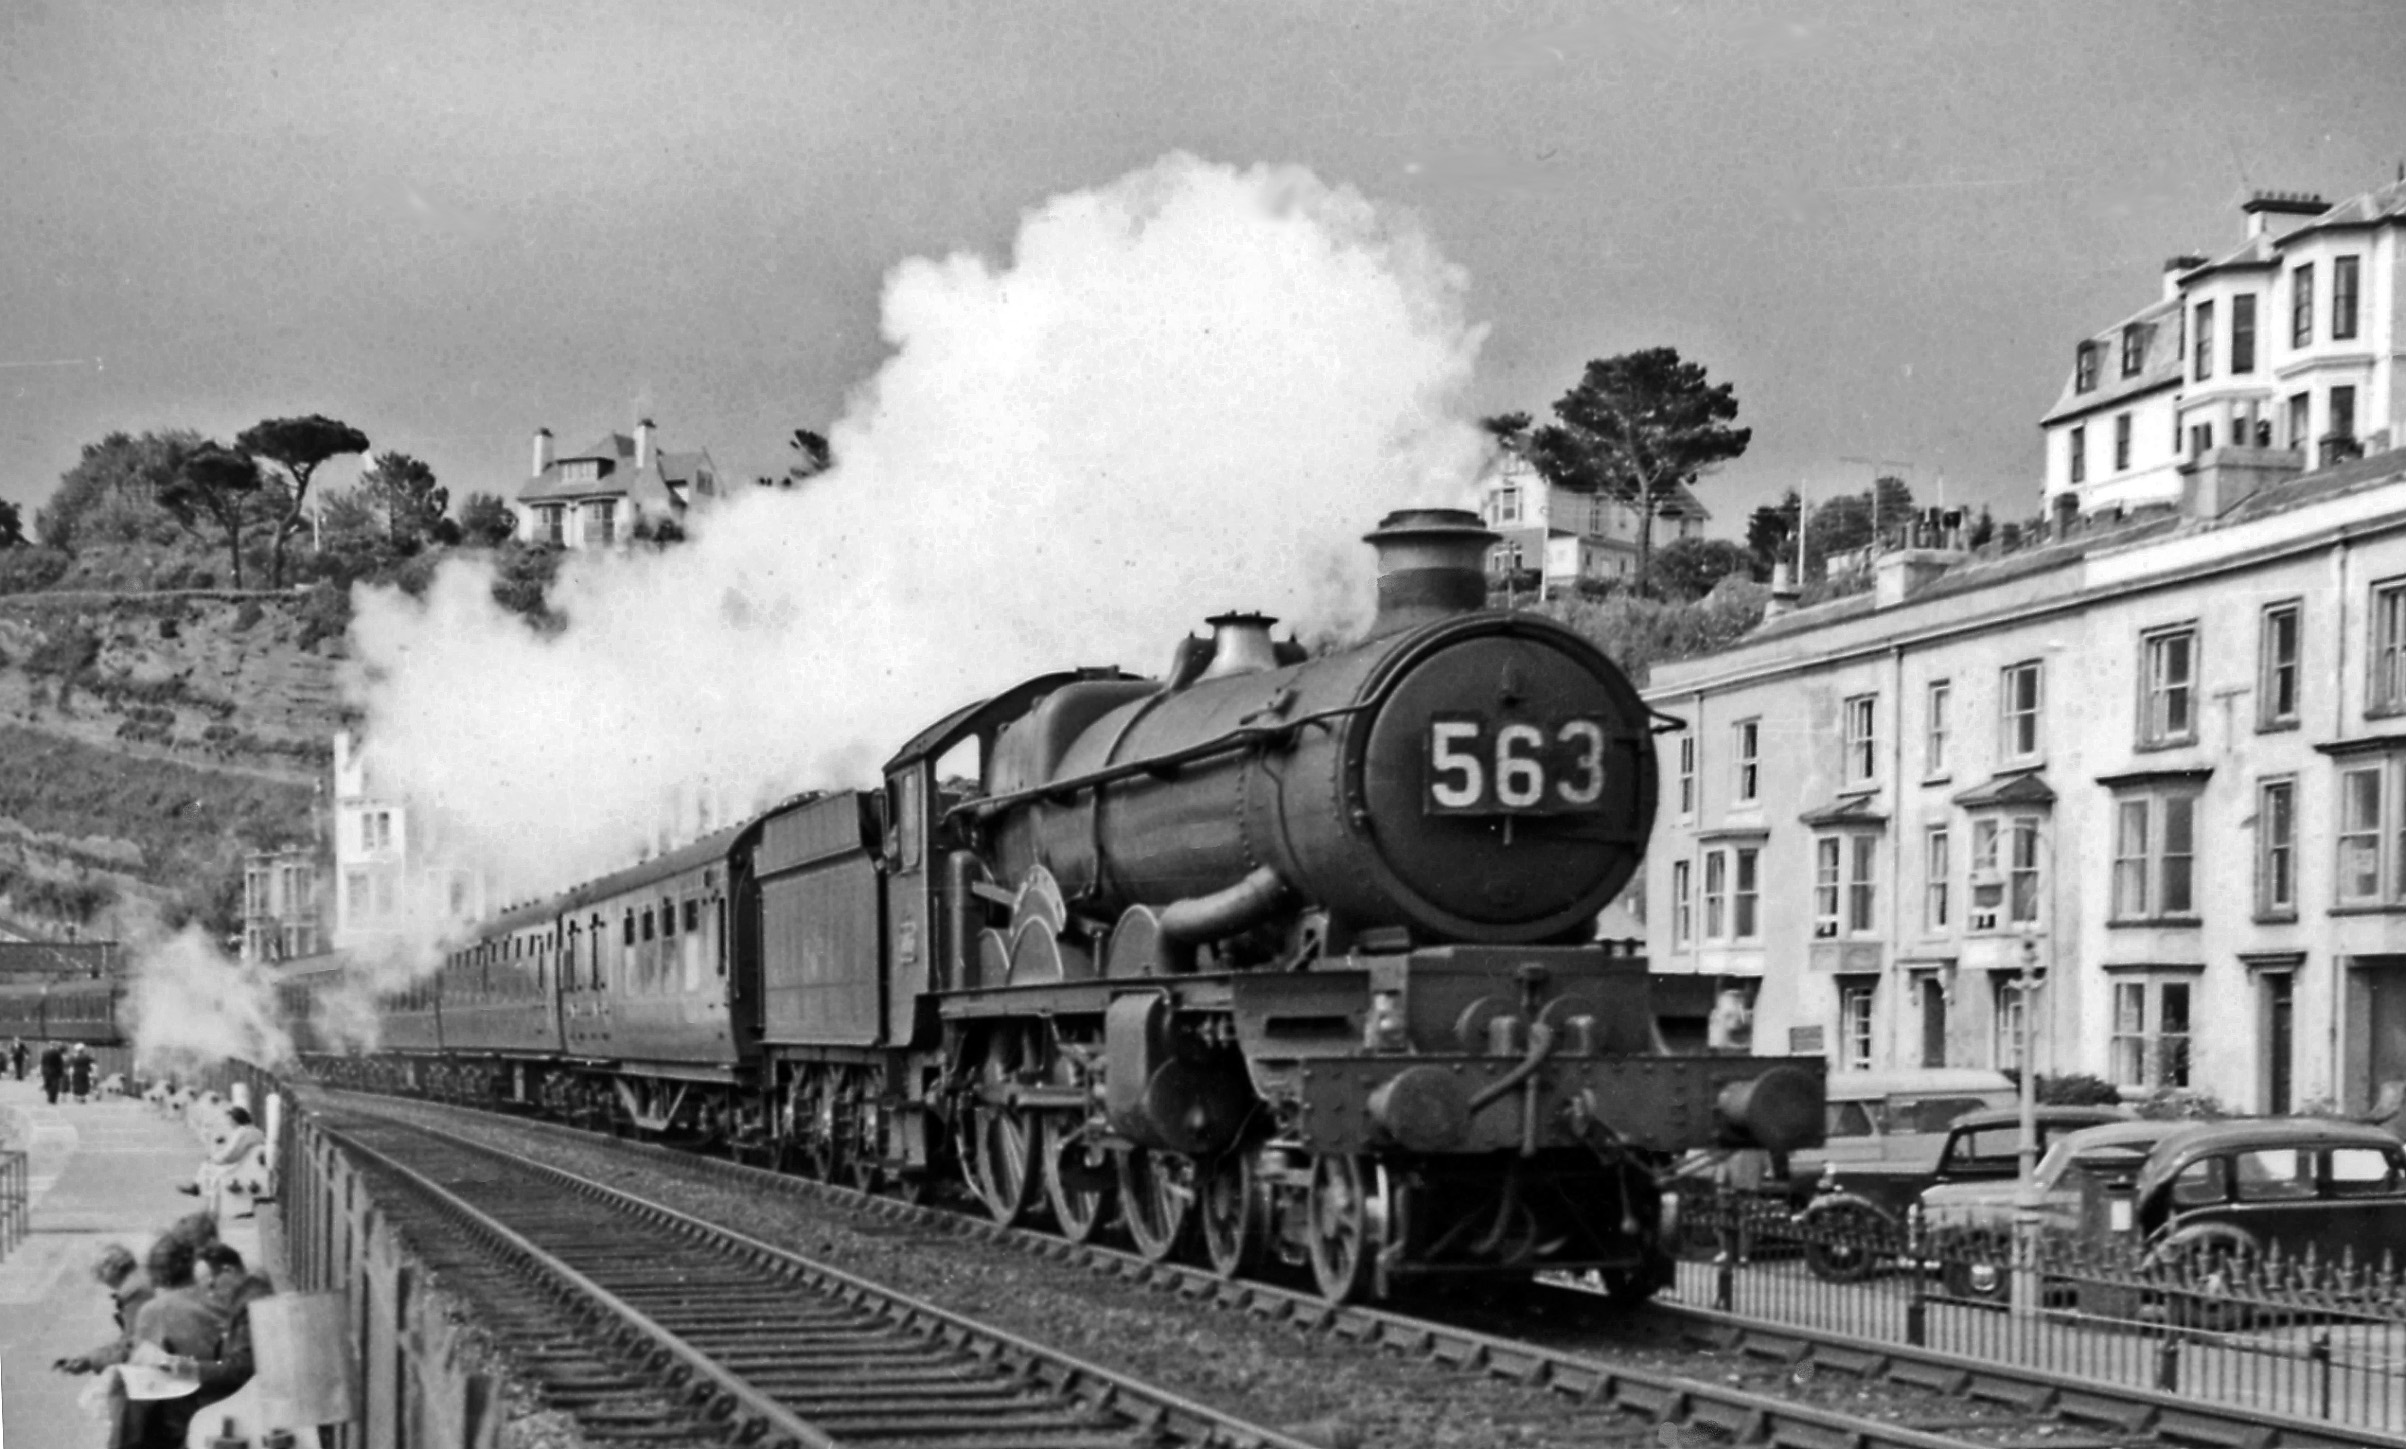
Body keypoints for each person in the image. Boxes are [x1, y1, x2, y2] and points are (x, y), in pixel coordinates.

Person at [116, 1235, 226, 1449]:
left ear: (156, 1274)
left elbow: (144, 1380)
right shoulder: (217, 1300)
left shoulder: (155, 1311)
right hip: (226, 1406)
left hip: (183, 1418)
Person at [184, 1241, 275, 1414]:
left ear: (229, 1271)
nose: (212, 1294)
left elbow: (242, 1367)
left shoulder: (250, 1304)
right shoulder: (246, 1295)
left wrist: (193, 1369)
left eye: (212, 1285)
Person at [51, 1244, 151, 1375]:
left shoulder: (134, 1293)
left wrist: (90, 1360)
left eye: (101, 1273)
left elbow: (132, 1344)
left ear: (114, 1269)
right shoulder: (144, 1276)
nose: (103, 1281)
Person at [178, 1107, 265, 1201]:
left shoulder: (242, 1132)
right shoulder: (256, 1131)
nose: (229, 1123)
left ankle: (197, 1187)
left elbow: (231, 1155)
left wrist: (216, 1159)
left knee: (207, 1164)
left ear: (236, 1120)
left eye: (231, 1120)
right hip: (250, 1163)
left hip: (240, 1165)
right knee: (209, 1162)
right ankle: (196, 1186)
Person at [38, 1040, 64, 1105]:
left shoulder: (44, 1052)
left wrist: (42, 1071)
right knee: (55, 1085)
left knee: (47, 1084)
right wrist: (60, 1073)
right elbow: (59, 1063)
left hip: (45, 1071)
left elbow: (42, 1062)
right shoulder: (57, 1053)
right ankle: (53, 1099)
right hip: (54, 1071)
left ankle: (49, 1097)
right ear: (55, 1045)